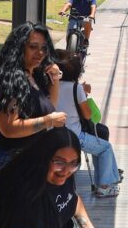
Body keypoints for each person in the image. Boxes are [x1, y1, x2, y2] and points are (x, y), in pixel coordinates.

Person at [0, 23, 67, 190]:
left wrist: (55, 78)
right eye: (33, 47)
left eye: (44, 48)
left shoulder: (33, 74)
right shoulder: (8, 79)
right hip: (4, 165)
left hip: (26, 162)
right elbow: (9, 128)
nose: (40, 53)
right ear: (18, 48)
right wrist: (49, 121)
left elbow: (49, 107)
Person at [53, 50, 123, 198]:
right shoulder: (76, 88)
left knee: (101, 145)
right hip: (75, 137)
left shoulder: (52, 85)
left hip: (54, 134)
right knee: (105, 148)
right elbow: (87, 114)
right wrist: (83, 94)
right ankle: (104, 186)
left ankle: (107, 179)